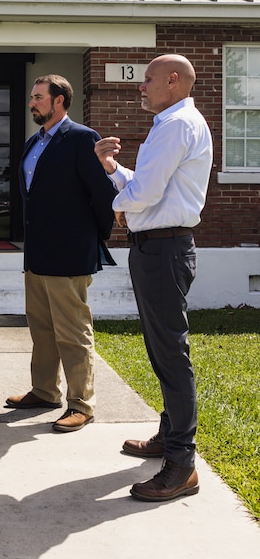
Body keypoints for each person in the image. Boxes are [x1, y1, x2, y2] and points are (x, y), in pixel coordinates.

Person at [94, 54, 212, 502]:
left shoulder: (179, 124)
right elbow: (145, 186)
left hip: (164, 249)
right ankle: (170, 435)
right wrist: (113, 171)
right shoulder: (172, 123)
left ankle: (182, 465)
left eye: (148, 80)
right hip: (155, 247)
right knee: (161, 350)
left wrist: (116, 201)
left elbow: (143, 194)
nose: (140, 87)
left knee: (171, 353)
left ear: (174, 81)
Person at [6, 75, 117, 432]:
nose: (32, 103)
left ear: (59, 102)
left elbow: (103, 195)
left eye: (38, 97)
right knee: (41, 328)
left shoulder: (83, 138)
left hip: (70, 252)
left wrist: (93, 237)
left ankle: (81, 404)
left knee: (72, 331)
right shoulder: (32, 144)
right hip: (37, 253)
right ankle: (44, 391)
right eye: (32, 97)